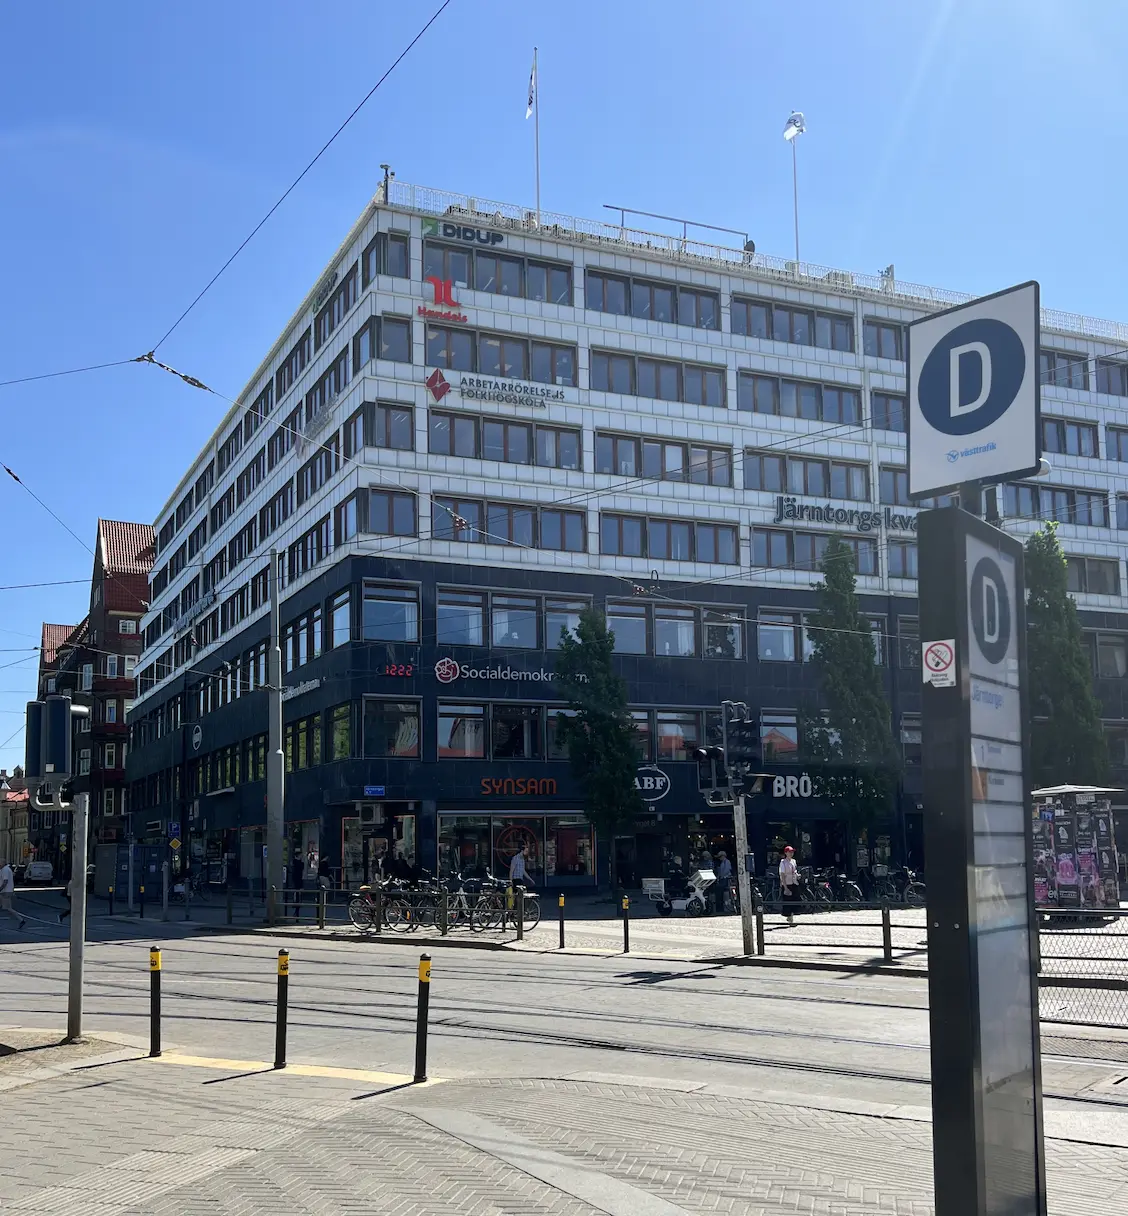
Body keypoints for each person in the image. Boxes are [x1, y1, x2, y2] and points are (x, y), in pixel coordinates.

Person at [0, 860, 26, 930]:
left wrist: (0, 889)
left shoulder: (5, 870)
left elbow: (5, 881)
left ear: (3, 863)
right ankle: (21, 920)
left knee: (8, 908)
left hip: (5, 891)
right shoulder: (5, 869)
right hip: (5, 891)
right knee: (6, 907)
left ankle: (21, 920)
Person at [779, 845, 800, 925]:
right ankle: (790, 918)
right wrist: (785, 887)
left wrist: (797, 875)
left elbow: (794, 871)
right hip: (787, 884)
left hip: (794, 883)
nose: (791, 853)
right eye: (789, 852)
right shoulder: (783, 862)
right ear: (786, 853)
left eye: (792, 852)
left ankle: (791, 916)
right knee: (788, 901)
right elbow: (782, 875)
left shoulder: (794, 861)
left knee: (794, 900)